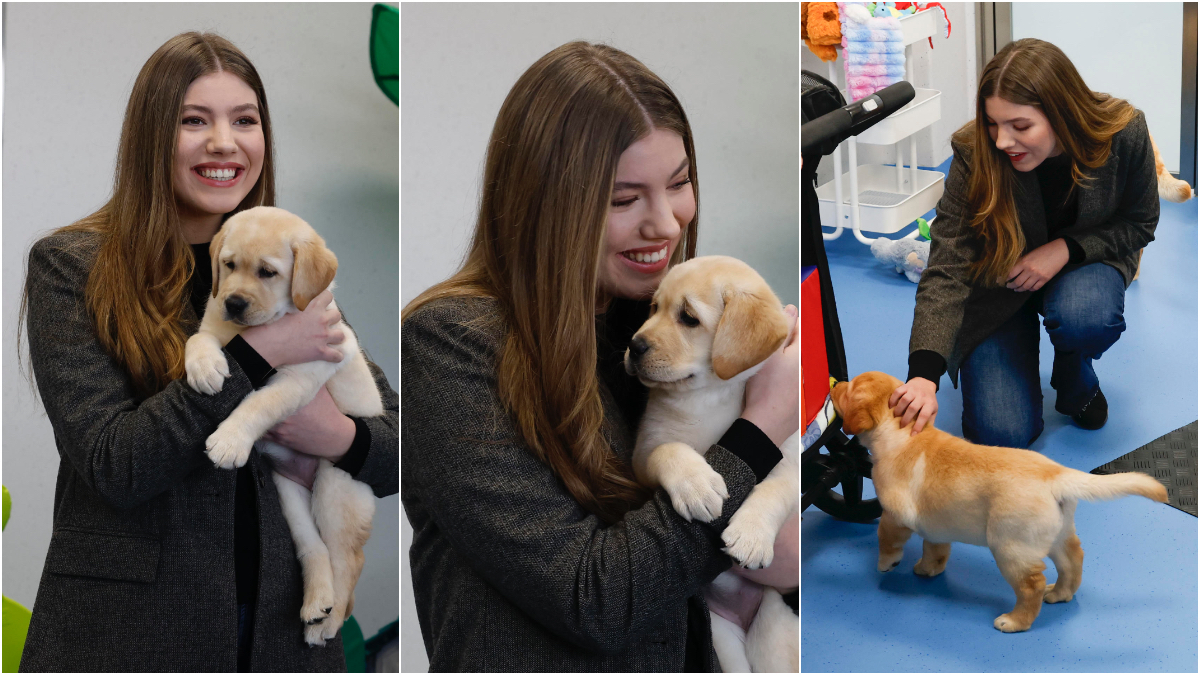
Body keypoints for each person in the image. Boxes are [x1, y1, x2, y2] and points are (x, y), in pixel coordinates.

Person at [401, 41, 799, 671]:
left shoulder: (651, 316)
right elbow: (595, 601)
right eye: (623, 199)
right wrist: (761, 428)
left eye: (680, 183)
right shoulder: (450, 344)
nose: (665, 224)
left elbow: (777, 556)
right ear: (547, 204)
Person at [18, 32, 398, 672]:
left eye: (245, 120)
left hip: (286, 637)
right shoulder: (72, 266)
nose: (225, 142)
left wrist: (332, 433)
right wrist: (258, 354)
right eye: (194, 121)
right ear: (151, 137)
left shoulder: (287, 261)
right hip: (132, 636)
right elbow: (115, 466)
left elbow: (397, 454)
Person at [889, 38, 1158, 449]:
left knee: (1085, 317)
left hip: (1083, 267)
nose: (1001, 141)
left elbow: (1139, 222)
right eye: (993, 123)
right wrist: (924, 374)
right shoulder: (974, 151)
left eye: (1020, 126)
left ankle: (1074, 374)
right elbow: (948, 265)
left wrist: (1065, 249)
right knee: (1002, 435)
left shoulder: (1124, 132)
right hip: (1000, 283)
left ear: (1062, 113)